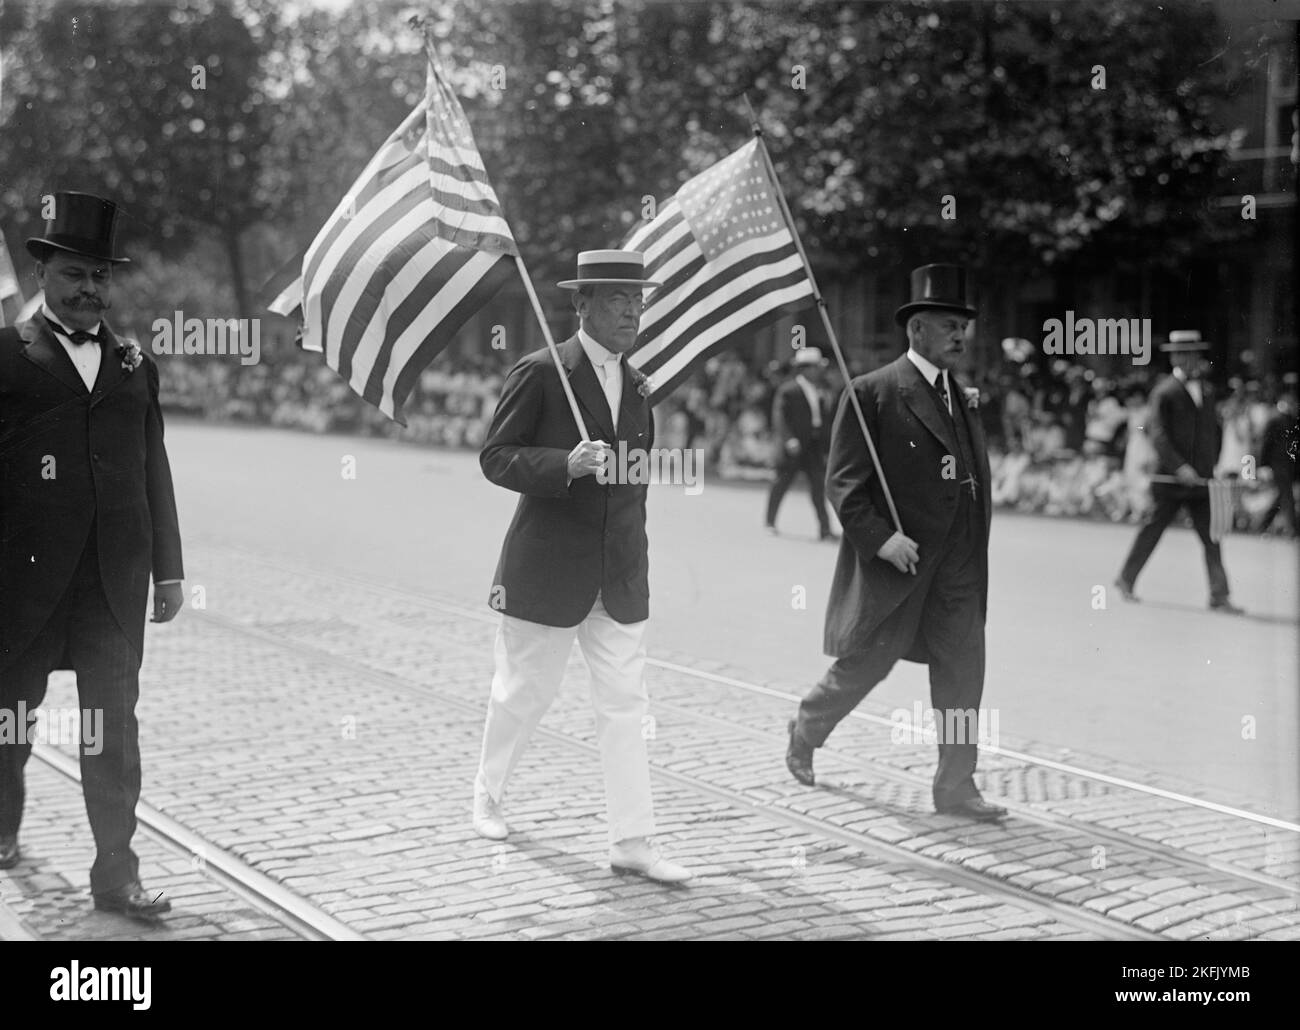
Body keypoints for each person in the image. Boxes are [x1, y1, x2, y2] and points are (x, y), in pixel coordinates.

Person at [470, 249, 690, 884]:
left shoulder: (640, 384)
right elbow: (496, 457)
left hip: (619, 575)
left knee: (625, 704)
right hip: (547, 570)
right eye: (616, 299)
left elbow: (633, 487)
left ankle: (633, 840)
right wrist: (561, 465)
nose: (630, 310)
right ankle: (487, 793)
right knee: (522, 693)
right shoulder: (541, 372)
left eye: (637, 299)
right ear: (581, 305)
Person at [0, 192, 184, 919]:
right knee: (10, 719)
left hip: (113, 582)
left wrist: (168, 568)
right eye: (75, 274)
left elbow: (153, 466)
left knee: (113, 727)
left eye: (101, 278)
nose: (89, 290)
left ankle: (117, 875)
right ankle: (2, 828)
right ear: (44, 272)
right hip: (23, 581)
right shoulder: (6, 357)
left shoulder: (134, 364)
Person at [785, 264, 1006, 823]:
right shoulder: (873, 393)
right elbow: (844, 484)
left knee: (962, 671)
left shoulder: (962, 396)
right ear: (916, 332)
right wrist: (882, 542)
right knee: (867, 664)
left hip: (958, 566)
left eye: (964, 325)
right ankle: (807, 730)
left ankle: (956, 785)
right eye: (947, 324)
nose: (960, 335)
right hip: (900, 564)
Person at [1115, 330, 1243, 612]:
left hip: (1200, 479)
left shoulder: (1207, 391)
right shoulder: (1164, 391)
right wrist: (1179, 466)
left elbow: (1213, 432)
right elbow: (1158, 435)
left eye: (1194, 353)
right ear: (1174, 356)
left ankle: (1219, 595)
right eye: (1183, 353)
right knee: (1153, 530)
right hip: (1171, 479)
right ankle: (1126, 579)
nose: (1189, 359)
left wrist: (1214, 465)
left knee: (1213, 536)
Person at [764, 347, 836, 540]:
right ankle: (770, 522)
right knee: (781, 484)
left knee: (818, 488)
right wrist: (788, 439)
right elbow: (779, 418)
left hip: (813, 445)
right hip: (794, 446)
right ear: (805, 369)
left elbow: (823, 418)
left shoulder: (821, 389)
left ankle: (825, 529)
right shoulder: (788, 390)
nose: (819, 371)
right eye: (815, 367)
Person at [1257, 391, 1298, 537]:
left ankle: (1263, 525)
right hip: (1278, 464)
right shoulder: (1275, 420)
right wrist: (1263, 465)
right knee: (1287, 495)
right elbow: (1266, 444)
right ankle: (1293, 529)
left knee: (1282, 496)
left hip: (1288, 465)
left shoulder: (1291, 420)